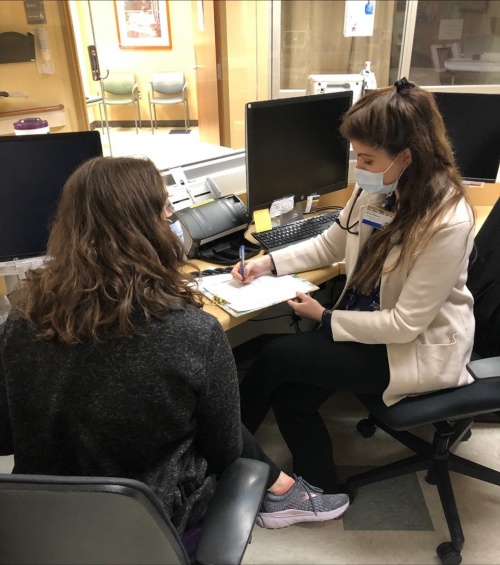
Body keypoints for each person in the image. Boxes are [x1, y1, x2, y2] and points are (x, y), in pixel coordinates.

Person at [0, 156, 349, 558]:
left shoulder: (19, 322)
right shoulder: (193, 333)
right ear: (149, 230)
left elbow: (6, 436)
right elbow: (225, 451)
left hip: (44, 530)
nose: (173, 221)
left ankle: (281, 488)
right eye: (167, 212)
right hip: (157, 529)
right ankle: (283, 491)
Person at [231, 78, 476, 494]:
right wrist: (267, 263)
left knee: (273, 356)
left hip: (408, 350)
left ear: (406, 157)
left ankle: (228, 465)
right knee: (291, 395)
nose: (358, 169)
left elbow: (405, 325)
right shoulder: (378, 190)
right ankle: (323, 490)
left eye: (366, 159)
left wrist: (325, 317)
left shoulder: (447, 221)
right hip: (365, 328)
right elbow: (331, 243)